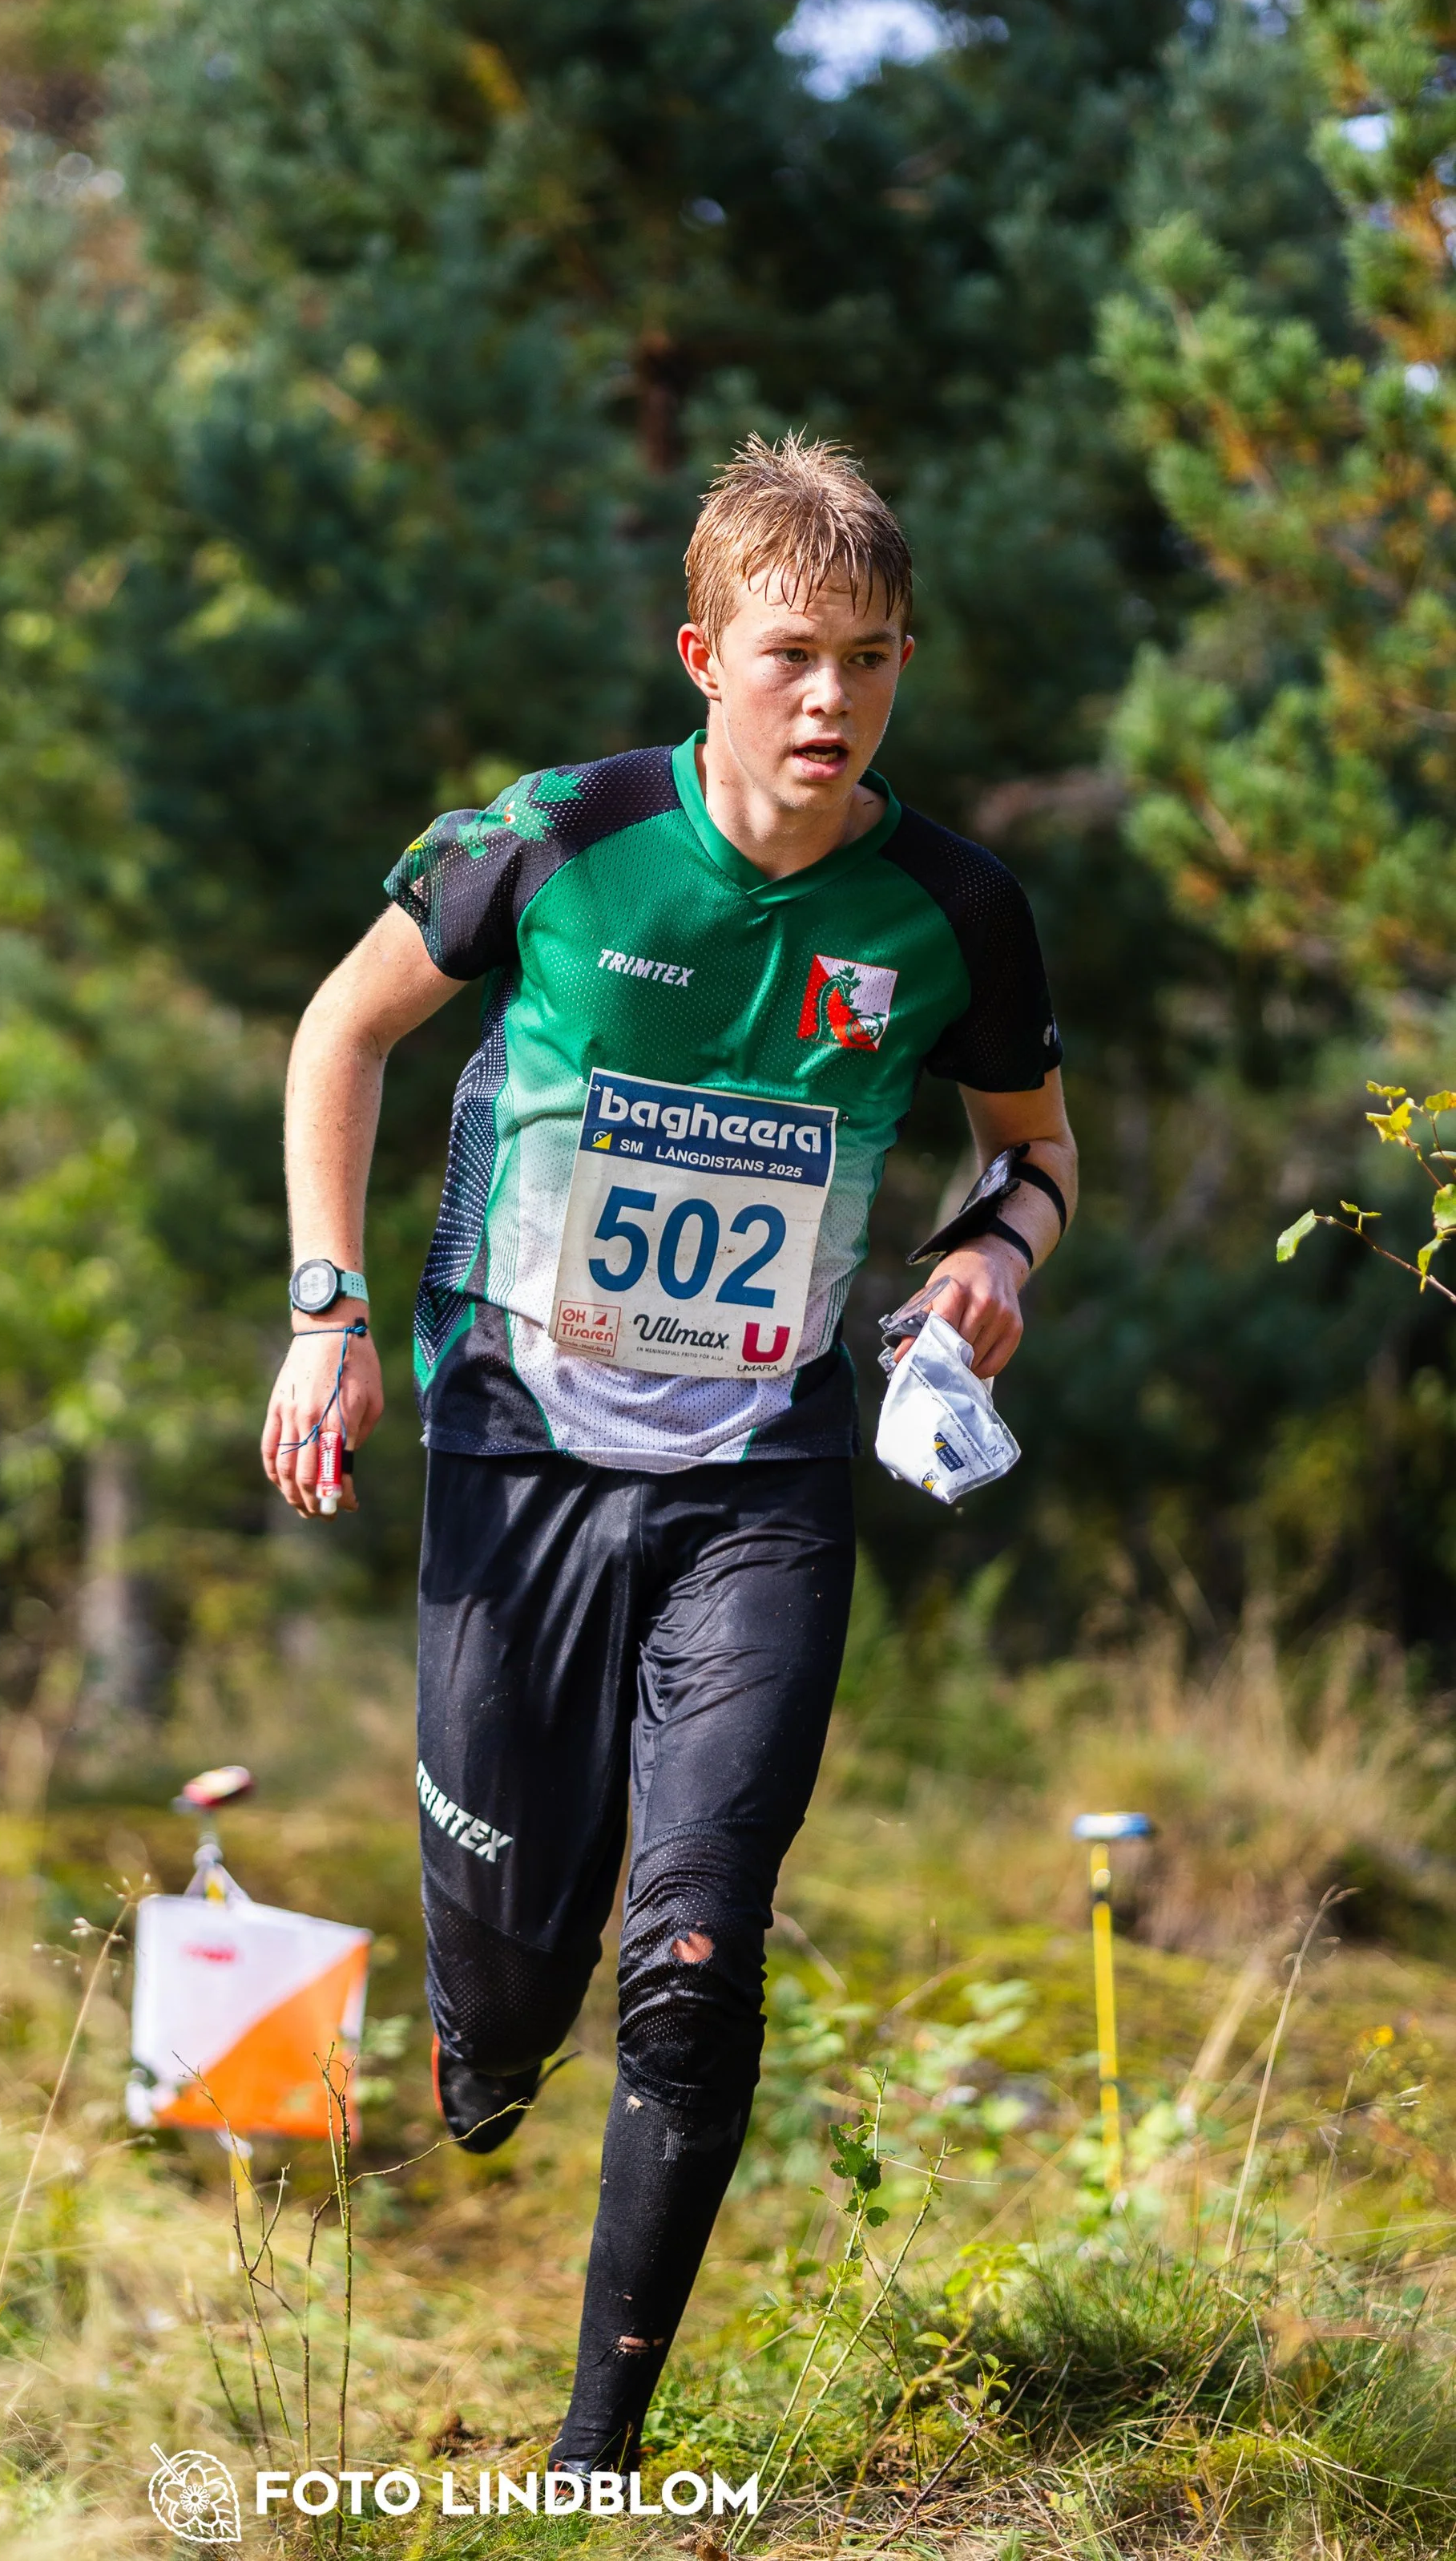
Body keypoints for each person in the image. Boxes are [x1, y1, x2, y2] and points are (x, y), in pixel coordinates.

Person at [261, 434, 1076, 2474]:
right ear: (703, 654)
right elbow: (341, 1031)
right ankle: (479, 2035)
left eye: (868, 661)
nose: (829, 701)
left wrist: (989, 1263)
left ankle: (596, 2459)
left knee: (698, 1954)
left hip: (761, 1482)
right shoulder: (556, 837)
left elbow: (1033, 1156)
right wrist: (325, 1309)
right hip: (517, 1454)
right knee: (506, 2003)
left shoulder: (954, 910)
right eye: (791, 655)